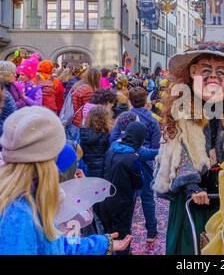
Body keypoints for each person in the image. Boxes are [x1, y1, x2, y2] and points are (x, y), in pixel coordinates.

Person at [152, 42, 224, 255]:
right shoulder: (181, 110)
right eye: (206, 71)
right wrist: (192, 186)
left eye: (220, 72)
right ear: (193, 73)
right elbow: (177, 152)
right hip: (192, 201)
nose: (213, 78)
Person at [0, 106, 132, 255]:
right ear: (46, 160)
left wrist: (101, 244)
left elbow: (55, 242)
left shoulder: (30, 198)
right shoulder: (18, 215)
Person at [110, 87, 160, 243]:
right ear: (146, 100)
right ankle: (151, 231)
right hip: (145, 163)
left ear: (130, 100)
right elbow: (155, 147)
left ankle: (126, 232)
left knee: (128, 198)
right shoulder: (152, 120)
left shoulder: (123, 117)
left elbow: (113, 138)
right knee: (147, 198)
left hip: (124, 161)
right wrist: (143, 153)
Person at [99, 122, 158, 255]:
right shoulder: (132, 158)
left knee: (109, 235)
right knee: (123, 237)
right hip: (122, 203)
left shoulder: (112, 148)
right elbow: (138, 184)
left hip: (105, 199)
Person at [80, 106, 113, 178]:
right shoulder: (106, 134)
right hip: (104, 169)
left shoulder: (84, 133)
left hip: (89, 167)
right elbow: (109, 152)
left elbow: (82, 152)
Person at [70, 68, 101, 142]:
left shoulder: (81, 86)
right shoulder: (89, 91)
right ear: (95, 78)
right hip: (83, 122)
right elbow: (89, 111)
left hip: (76, 120)